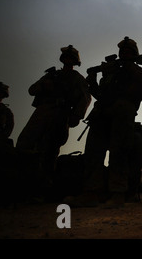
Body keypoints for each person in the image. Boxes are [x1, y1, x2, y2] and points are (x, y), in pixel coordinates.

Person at [66, 37, 142, 208]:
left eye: (129, 52)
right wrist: (92, 82)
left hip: (123, 114)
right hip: (102, 114)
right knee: (93, 152)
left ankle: (117, 193)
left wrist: (126, 66)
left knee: (119, 152)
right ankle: (91, 192)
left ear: (134, 55)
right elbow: (102, 94)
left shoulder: (139, 72)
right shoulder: (111, 73)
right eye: (123, 52)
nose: (124, 54)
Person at [16, 45, 91, 188]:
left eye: (71, 58)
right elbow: (32, 90)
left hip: (60, 114)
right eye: (66, 57)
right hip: (42, 111)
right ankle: (22, 184)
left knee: (50, 150)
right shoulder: (51, 75)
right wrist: (44, 85)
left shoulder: (77, 78)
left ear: (75, 61)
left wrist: (77, 115)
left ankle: (43, 187)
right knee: (25, 144)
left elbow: (85, 98)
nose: (67, 60)